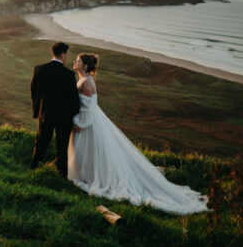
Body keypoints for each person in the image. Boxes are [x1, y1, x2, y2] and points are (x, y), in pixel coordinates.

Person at [68, 53, 208, 214]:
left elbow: (88, 108)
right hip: (92, 121)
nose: (75, 62)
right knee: (90, 152)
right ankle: (88, 175)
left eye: (78, 61)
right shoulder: (86, 80)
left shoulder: (86, 82)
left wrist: (79, 123)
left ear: (85, 66)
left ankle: (89, 177)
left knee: (88, 151)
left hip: (88, 123)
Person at [30, 42, 80, 177]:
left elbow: (34, 92)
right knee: (62, 147)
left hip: (45, 113)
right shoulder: (69, 75)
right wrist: (74, 117)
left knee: (41, 142)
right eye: (68, 54)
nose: (68, 57)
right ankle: (62, 174)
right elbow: (74, 100)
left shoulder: (39, 69)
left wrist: (37, 112)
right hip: (63, 117)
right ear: (62, 54)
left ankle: (34, 168)